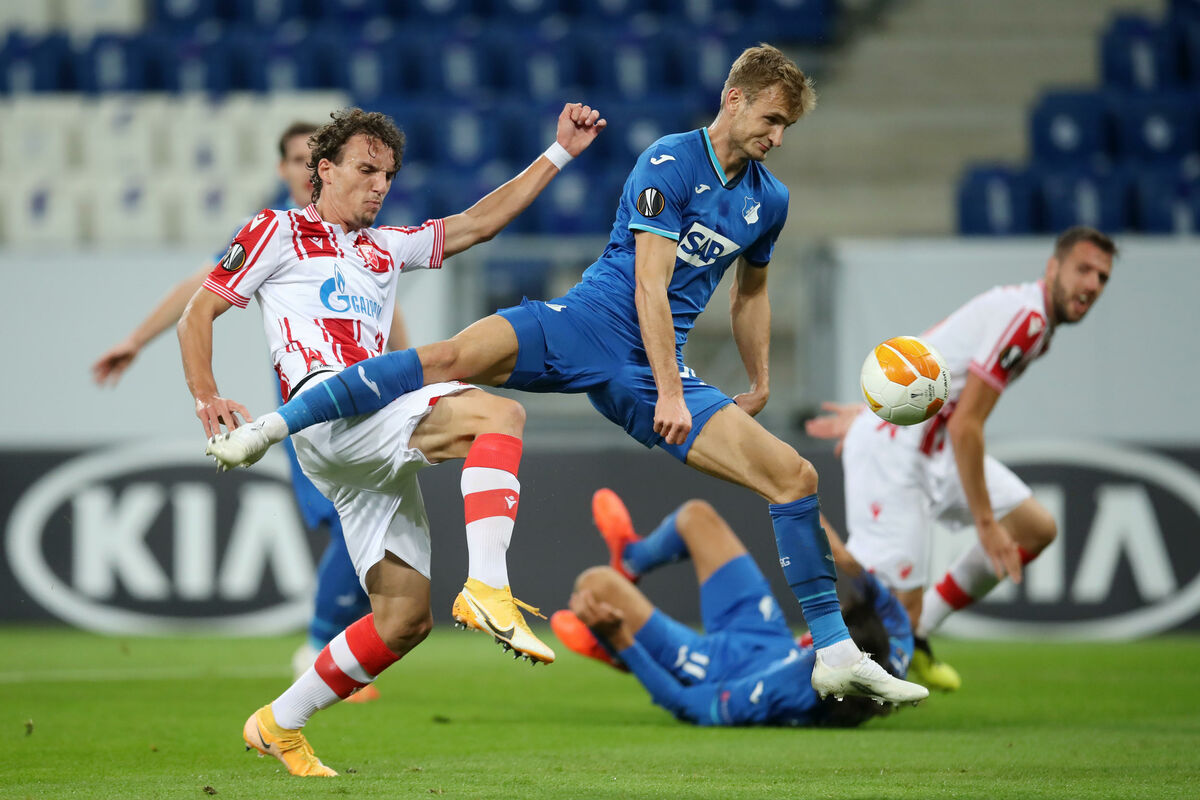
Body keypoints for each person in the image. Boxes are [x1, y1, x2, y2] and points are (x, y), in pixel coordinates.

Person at [205, 44, 929, 707]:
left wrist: (759, 377)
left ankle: (835, 652)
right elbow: (648, 285)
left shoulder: (770, 200)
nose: (777, 137)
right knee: (447, 359)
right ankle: (273, 429)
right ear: (733, 99)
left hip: (655, 370)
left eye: (786, 127)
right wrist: (670, 391)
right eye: (771, 119)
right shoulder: (670, 161)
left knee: (795, 477)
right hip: (586, 325)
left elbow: (752, 293)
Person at [179, 103, 605, 777]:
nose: (379, 185)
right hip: (329, 419)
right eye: (365, 170)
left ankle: (278, 724)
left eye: (388, 175)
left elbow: (478, 223)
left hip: (363, 441)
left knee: (403, 620)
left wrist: (558, 154)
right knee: (499, 416)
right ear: (324, 170)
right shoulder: (275, 231)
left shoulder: (386, 247)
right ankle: (488, 584)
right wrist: (207, 395)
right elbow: (197, 312)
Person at [91, 122, 389, 697]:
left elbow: (384, 312)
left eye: (316, 156)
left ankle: (330, 645)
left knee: (364, 524)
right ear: (287, 170)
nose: (309, 168)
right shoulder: (272, 229)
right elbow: (199, 291)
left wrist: (403, 371)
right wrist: (136, 339)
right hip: (308, 404)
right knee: (347, 521)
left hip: (368, 398)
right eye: (298, 159)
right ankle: (319, 647)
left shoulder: (361, 237)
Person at [805, 226, 1116, 691]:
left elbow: (937, 353)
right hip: (897, 453)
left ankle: (918, 632)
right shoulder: (1027, 320)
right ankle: (789, 669)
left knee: (1035, 528)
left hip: (931, 445)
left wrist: (878, 408)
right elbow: (967, 424)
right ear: (1053, 268)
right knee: (883, 607)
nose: (1091, 284)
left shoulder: (1031, 318)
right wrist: (986, 523)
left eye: (1102, 277)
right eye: (1083, 269)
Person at [550, 488, 916, 727]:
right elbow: (849, 566)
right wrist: (794, 495)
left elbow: (685, 703)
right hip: (765, 634)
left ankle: (614, 648)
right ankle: (631, 560)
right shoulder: (893, 637)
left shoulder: (790, 692)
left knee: (597, 586)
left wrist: (623, 639)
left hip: (716, 666)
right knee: (697, 516)